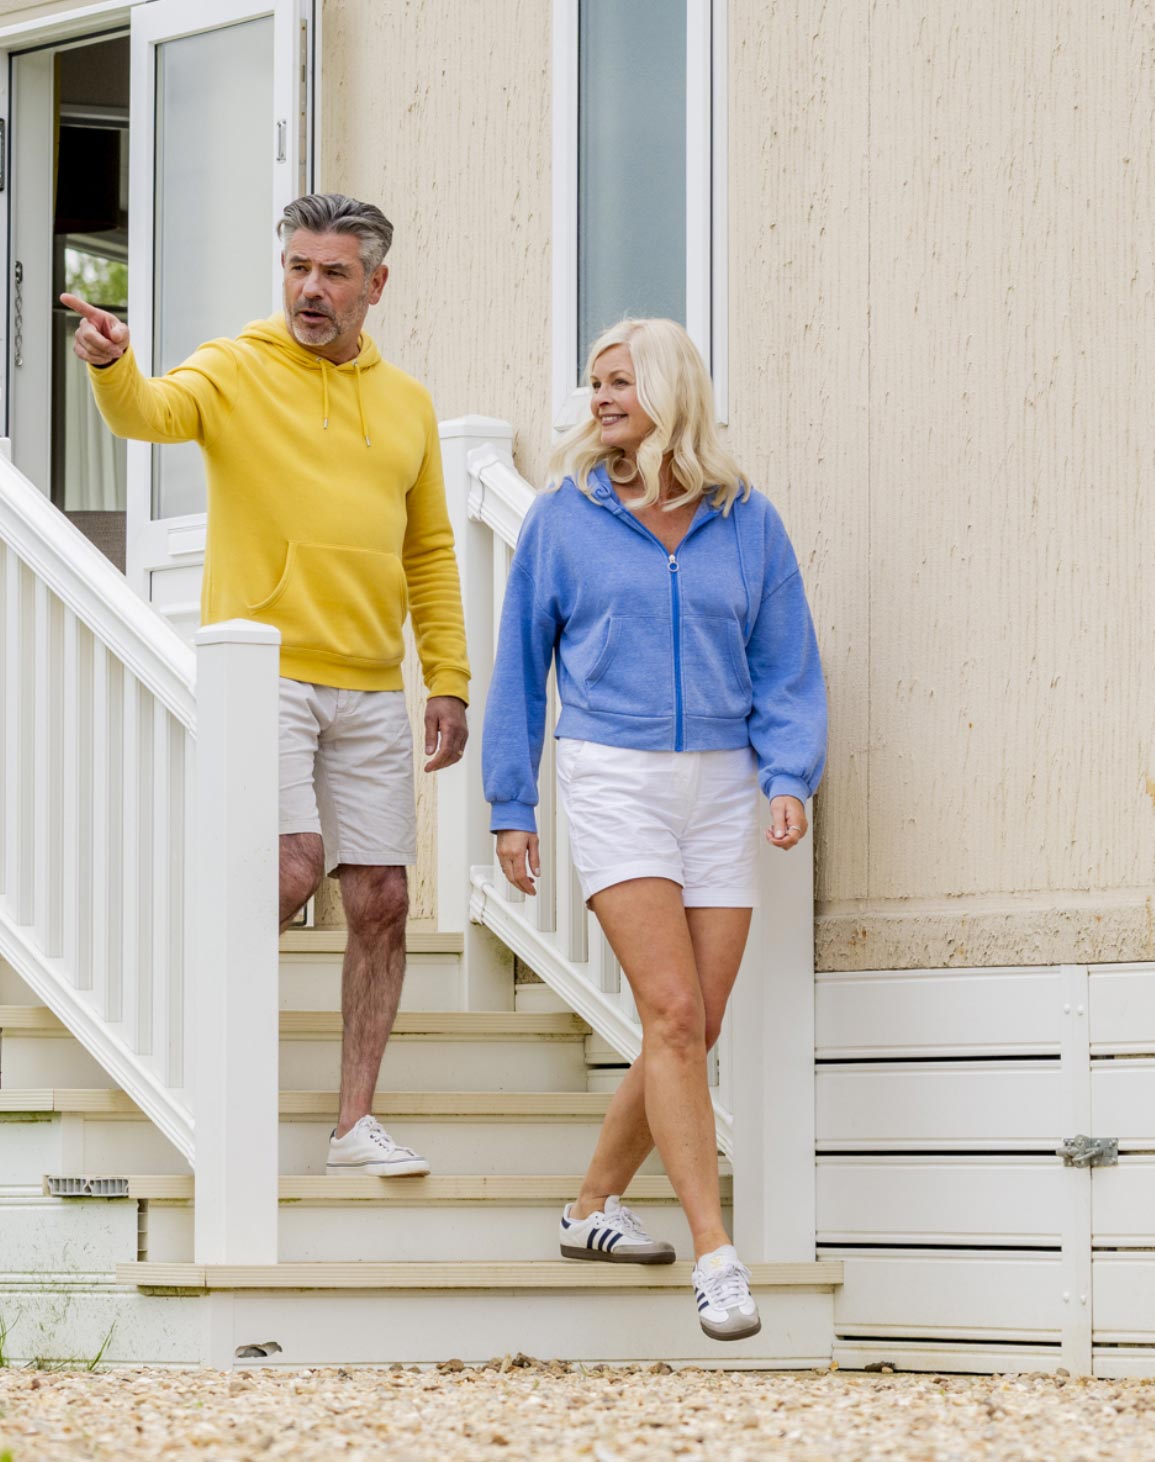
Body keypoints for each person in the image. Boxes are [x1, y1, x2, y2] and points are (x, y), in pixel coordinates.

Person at [62, 193, 469, 1177]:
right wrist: (116, 365)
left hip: (371, 681)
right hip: (266, 672)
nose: (310, 289)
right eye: (296, 267)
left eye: (333, 272)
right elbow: (156, 416)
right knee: (289, 867)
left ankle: (353, 1126)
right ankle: (188, 1030)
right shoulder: (236, 366)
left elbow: (430, 550)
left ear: (376, 284)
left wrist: (447, 675)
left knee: (379, 897)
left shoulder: (408, 403)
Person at [481, 318, 826, 1341]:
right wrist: (513, 801)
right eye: (594, 382)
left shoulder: (746, 520)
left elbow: (787, 659)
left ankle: (590, 1206)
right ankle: (717, 1256)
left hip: (724, 781)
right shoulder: (564, 519)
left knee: (694, 1026)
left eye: (620, 379)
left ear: (671, 390)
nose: (600, 397)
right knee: (671, 1012)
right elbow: (519, 666)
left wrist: (787, 773)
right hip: (613, 773)